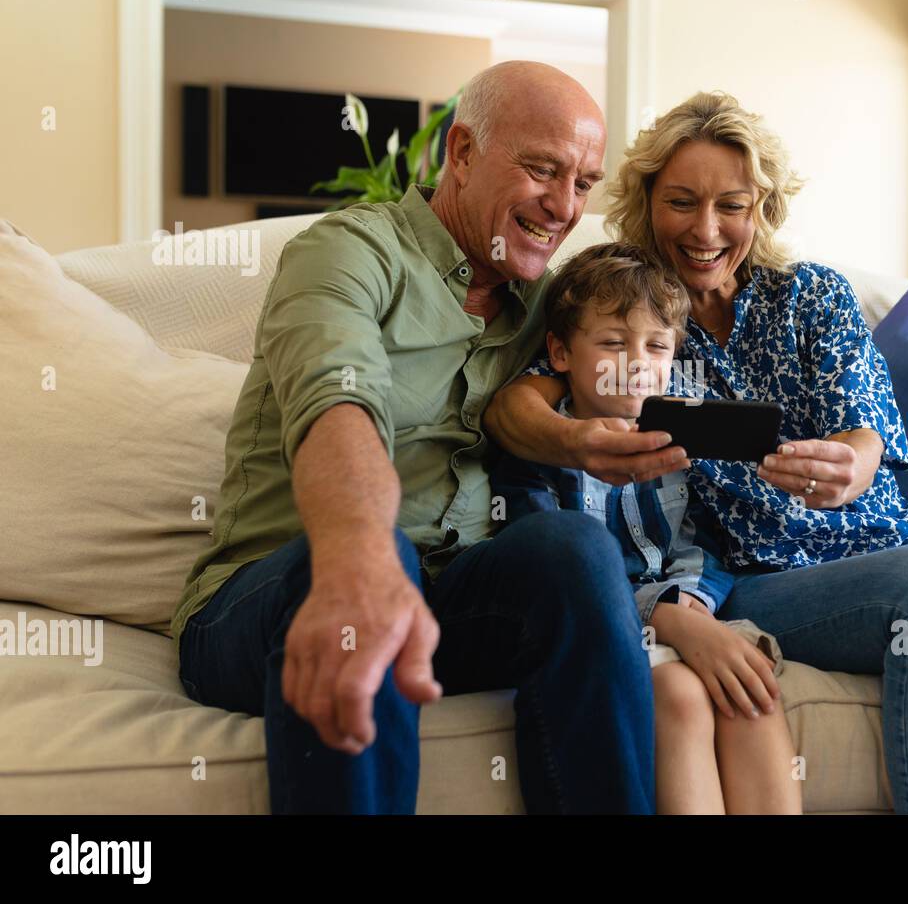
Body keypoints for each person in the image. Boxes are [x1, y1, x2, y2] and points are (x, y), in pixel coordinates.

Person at [485, 91, 908, 814]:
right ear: (648, 201)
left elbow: (868, 431)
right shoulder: (631, 308)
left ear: (762, 207)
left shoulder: (814, 296)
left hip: (881, 538)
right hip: (760, 572)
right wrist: (581, 441)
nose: (706, 230)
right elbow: (518, 402)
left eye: (731, 205)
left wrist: (853, 466)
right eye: (681, 202)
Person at [173, 61, 676, 814]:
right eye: (543, 170)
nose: (564, 206)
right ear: (463, 152)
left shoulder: (547, 299)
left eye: (583, 183)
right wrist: (359, 557)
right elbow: (336, 404)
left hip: (452, 600)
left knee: (572, 547)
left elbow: (664, 313)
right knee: (381, 558)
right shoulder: (346, 252)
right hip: (276, 597)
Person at [489, 242, 801, 813]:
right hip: (613, 634)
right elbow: (553, 577)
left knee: (753, 693)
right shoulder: (540, 450)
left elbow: (705, 549)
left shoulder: (685, 443)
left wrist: (693, 612)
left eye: (656, 346)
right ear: (559, 352)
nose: (636, 361)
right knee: (681, 696)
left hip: (693, 612)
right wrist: (669, 620)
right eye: (612, 343)